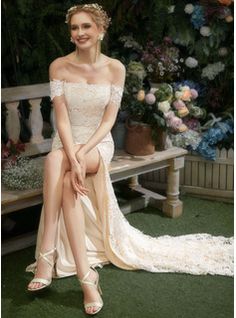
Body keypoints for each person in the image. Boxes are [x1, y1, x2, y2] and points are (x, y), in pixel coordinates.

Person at [26, 3, 233, 316]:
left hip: (97, 143)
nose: (79, 33)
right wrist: (72, 152)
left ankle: (47, 258)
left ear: (100, 31)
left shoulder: (115, 69)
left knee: (59, 162)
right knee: (62, 169)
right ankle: (85, 276)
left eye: (86, 27)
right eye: (74, 28)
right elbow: (63, 120)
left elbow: (109, 121)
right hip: (67, 142)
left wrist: (82, 153)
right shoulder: (59, 66)